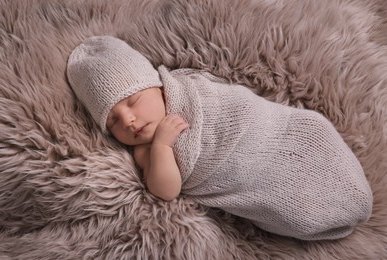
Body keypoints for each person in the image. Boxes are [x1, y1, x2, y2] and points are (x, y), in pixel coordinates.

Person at [67, 35, 373, 240]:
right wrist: (162, 146)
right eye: (113, 120)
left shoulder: (187, 87)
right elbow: (166, 191)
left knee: (312, 128)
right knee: (294, 205)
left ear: (158, 86)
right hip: (243, 174)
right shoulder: (145, 151)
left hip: (269, 133)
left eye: (132, 102)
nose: (128, 120)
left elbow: (233, 98)